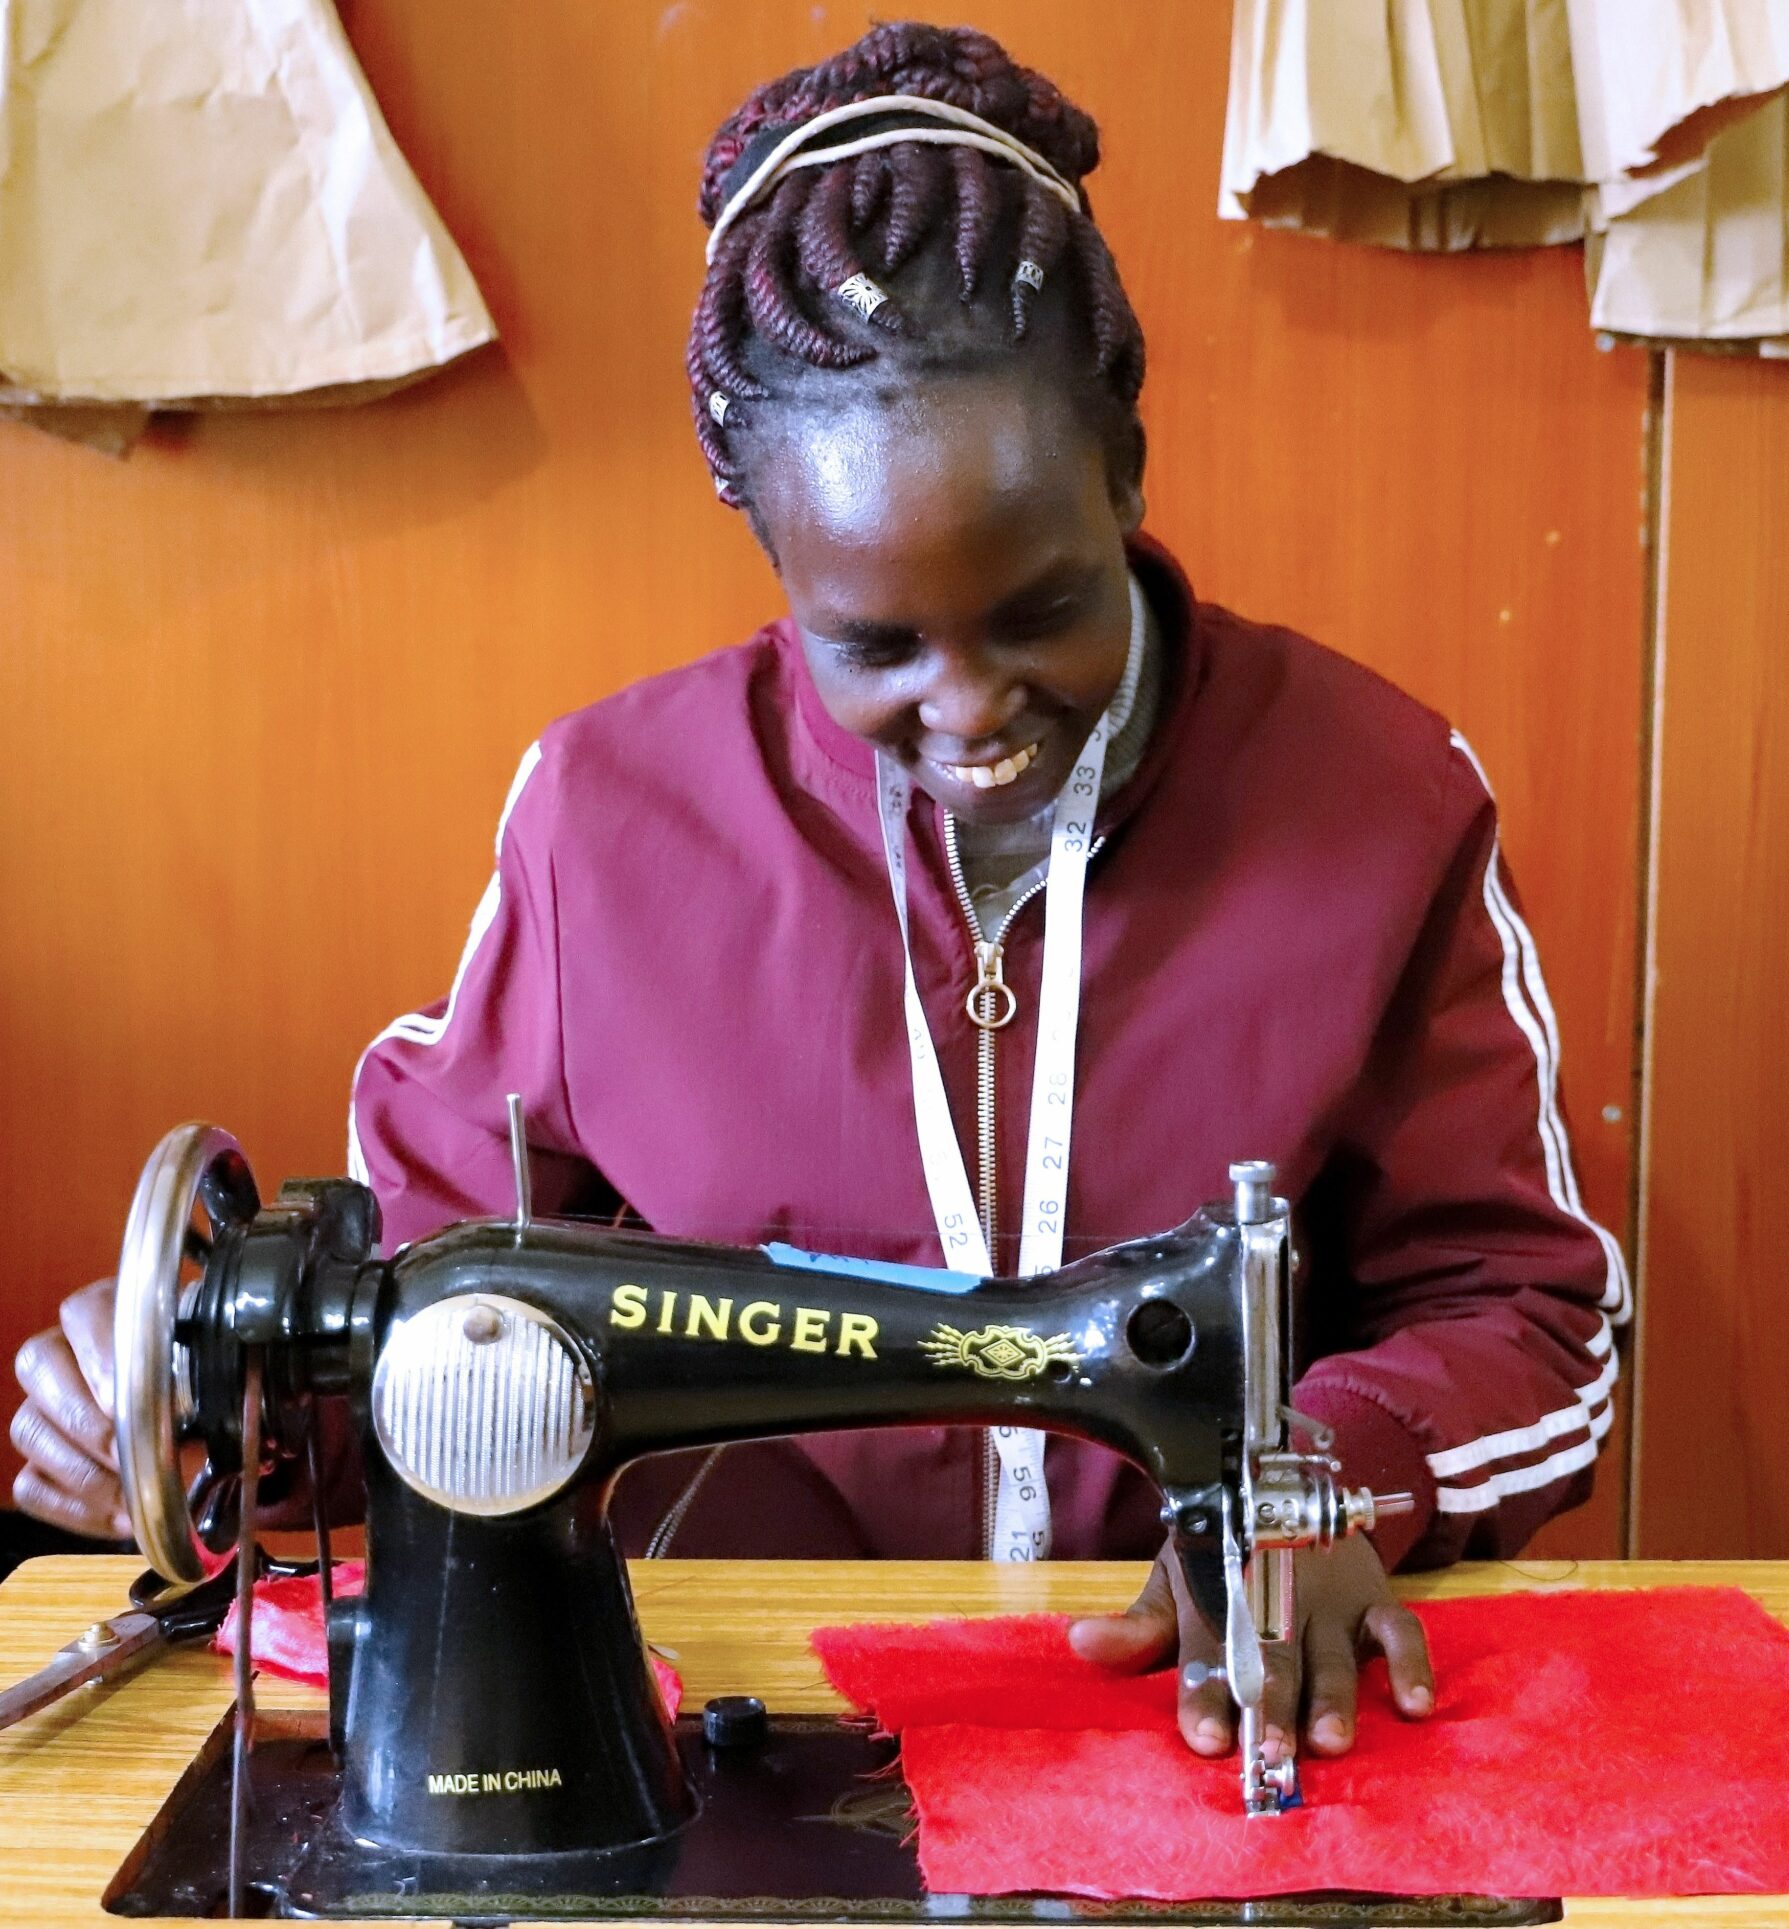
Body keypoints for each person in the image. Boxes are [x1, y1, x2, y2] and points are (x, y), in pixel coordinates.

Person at [10, 22, 1626, 1770]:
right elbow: (423, 1328)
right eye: (873, 644)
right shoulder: (606, 825)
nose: (972, 705)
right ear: (769, 552)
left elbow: (1532, 1314)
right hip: (748, 1724)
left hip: (1202, 1711)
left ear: (1129, 469)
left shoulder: (1378, 800)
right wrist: (202, 1404)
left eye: (1041, 609)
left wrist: (1337, 1476)